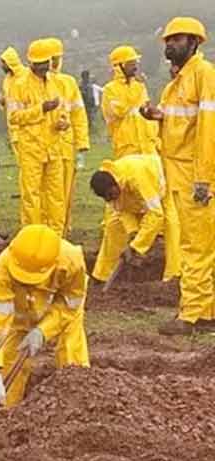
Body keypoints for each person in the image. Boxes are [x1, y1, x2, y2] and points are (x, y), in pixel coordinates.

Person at [141, 17, 215, 336]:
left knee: (195, 244)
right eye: (168, 40)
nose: (170, 44)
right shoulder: (178, 82)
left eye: (178, 39)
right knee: (194, 241)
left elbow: (208, 130)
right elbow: (180, 122)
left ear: (194, 43)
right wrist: (157, 115)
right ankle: (206, 309)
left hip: (193, 173)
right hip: (178, 170)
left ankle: (193, 313)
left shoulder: (203, 74)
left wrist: (204, 178)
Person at [0, 225, 89, 410]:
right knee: (10, 360)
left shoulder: (72, 261)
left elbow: (70, 306)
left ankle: (80, 406)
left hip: (62, 314)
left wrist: (42, 331)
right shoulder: (2, 267)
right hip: (20, 317)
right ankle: (5, 412)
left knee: (72, 353)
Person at [8, 40, 68, 233]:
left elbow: (62, 110)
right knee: (31, 195)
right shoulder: (19, 85)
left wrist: (63, 122)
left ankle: (56, 236)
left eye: (46, 63)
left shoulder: (54, 83)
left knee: (56, 195)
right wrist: (41, 109)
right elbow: (14, 117)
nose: (43, 68)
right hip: (31, 148)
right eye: (39, 64)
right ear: (31, 63)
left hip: (53, 147)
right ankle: (32, 236)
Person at [89, 155, 181, 283]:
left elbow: (156, 213)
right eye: (107, 198)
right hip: (132, 194)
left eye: (111, 195)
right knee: (113, 226)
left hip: (159, 187)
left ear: (115, 185)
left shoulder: (138, 178)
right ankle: (103, 275)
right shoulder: (106, 183)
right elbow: (121, 210)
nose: (110, 199)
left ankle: (173, 274)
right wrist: (133, 232)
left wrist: (136, 247)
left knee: (171, 224)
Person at [45, 38, 91, 232]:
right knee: (45, 192)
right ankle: (45, 230)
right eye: (52, 58)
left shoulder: (68, 82)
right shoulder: (36, 82)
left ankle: (62, 229)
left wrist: (82, 145)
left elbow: (79, 114)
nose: (55, 62)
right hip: (44, 147)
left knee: (65, 192)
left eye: (58, 57)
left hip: (66, 147)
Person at [103, 46, 159, 159]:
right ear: (120, 66)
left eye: (135, 63)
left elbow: (147, 112)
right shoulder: (110, 90)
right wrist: (138, 88)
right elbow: (120, 111)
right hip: (127, 148)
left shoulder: (139, 86)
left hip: (148, 146)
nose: (135, 67)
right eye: (131, 64)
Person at [0, 47, 27, 164]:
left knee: (29, 160)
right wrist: (2, 101)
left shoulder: (26, 76)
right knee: (20, 160)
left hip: (26, 125)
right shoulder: (7, 80)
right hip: (12, 126)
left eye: (3, 63)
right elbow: (10, 101)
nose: (2, 66)